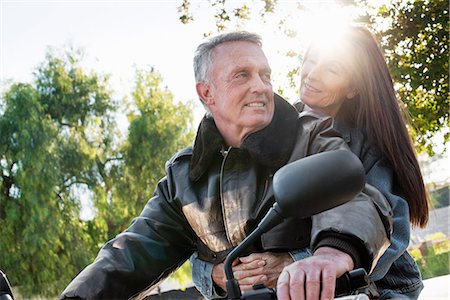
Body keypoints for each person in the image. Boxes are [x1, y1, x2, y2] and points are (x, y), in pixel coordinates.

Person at [60, 31, 391, 300]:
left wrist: (328, 257)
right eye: (241, 76)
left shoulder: (312, 134)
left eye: (264, 74)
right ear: (207, 93)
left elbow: (356, 200)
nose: (260, 86)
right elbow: (129, 255)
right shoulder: (184, 176)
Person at [190, 26, 427, 300]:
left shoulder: (368, 146)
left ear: (351, 88)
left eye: (332, 69)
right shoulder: (269, 131)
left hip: (376, 283)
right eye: (311, 59)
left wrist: (296, 261)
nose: (312, 74)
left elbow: (389, 231)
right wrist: (217, 272)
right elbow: (222, 236)